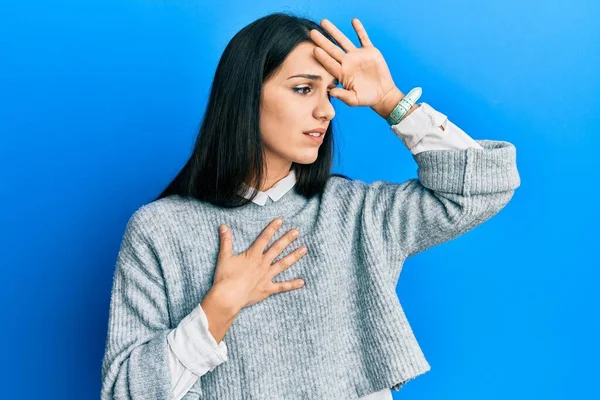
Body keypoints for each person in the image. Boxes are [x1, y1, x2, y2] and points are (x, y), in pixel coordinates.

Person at [100, 12, 521, 400]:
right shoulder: (160, 230)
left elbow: (487, 185)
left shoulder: (356, 213)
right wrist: (220, 306)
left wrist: (392, 102)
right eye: (303, 89)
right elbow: (124, 392)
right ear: (246, 95)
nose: (325, 111)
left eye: (329, 95)